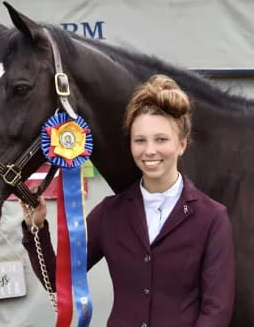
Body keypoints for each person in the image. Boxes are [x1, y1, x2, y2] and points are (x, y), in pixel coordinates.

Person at [20, 74, 235, 327]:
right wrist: (37, 228)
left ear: (182, 144)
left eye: (161, 139)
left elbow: (217, 310)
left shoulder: (212, 217)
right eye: (140, 140)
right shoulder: (110, 213)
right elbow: (59, 280)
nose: (150, 150)